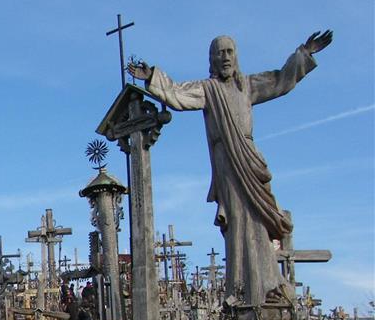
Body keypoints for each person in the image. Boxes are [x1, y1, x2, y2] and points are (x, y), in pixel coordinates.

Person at [128, 31, 332, 306]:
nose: (224, 57)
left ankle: (268, 282)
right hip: (227, 161)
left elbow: (280, 80)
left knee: (259, 221)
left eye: (229, 52)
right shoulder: (208, 89)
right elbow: (177, 94)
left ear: (236, 57)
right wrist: (152, 76)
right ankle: (241, 285)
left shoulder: (248, 86)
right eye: (219, 52)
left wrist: (304, 54)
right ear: (212, 59)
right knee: (237, 221)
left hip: (249, 159)